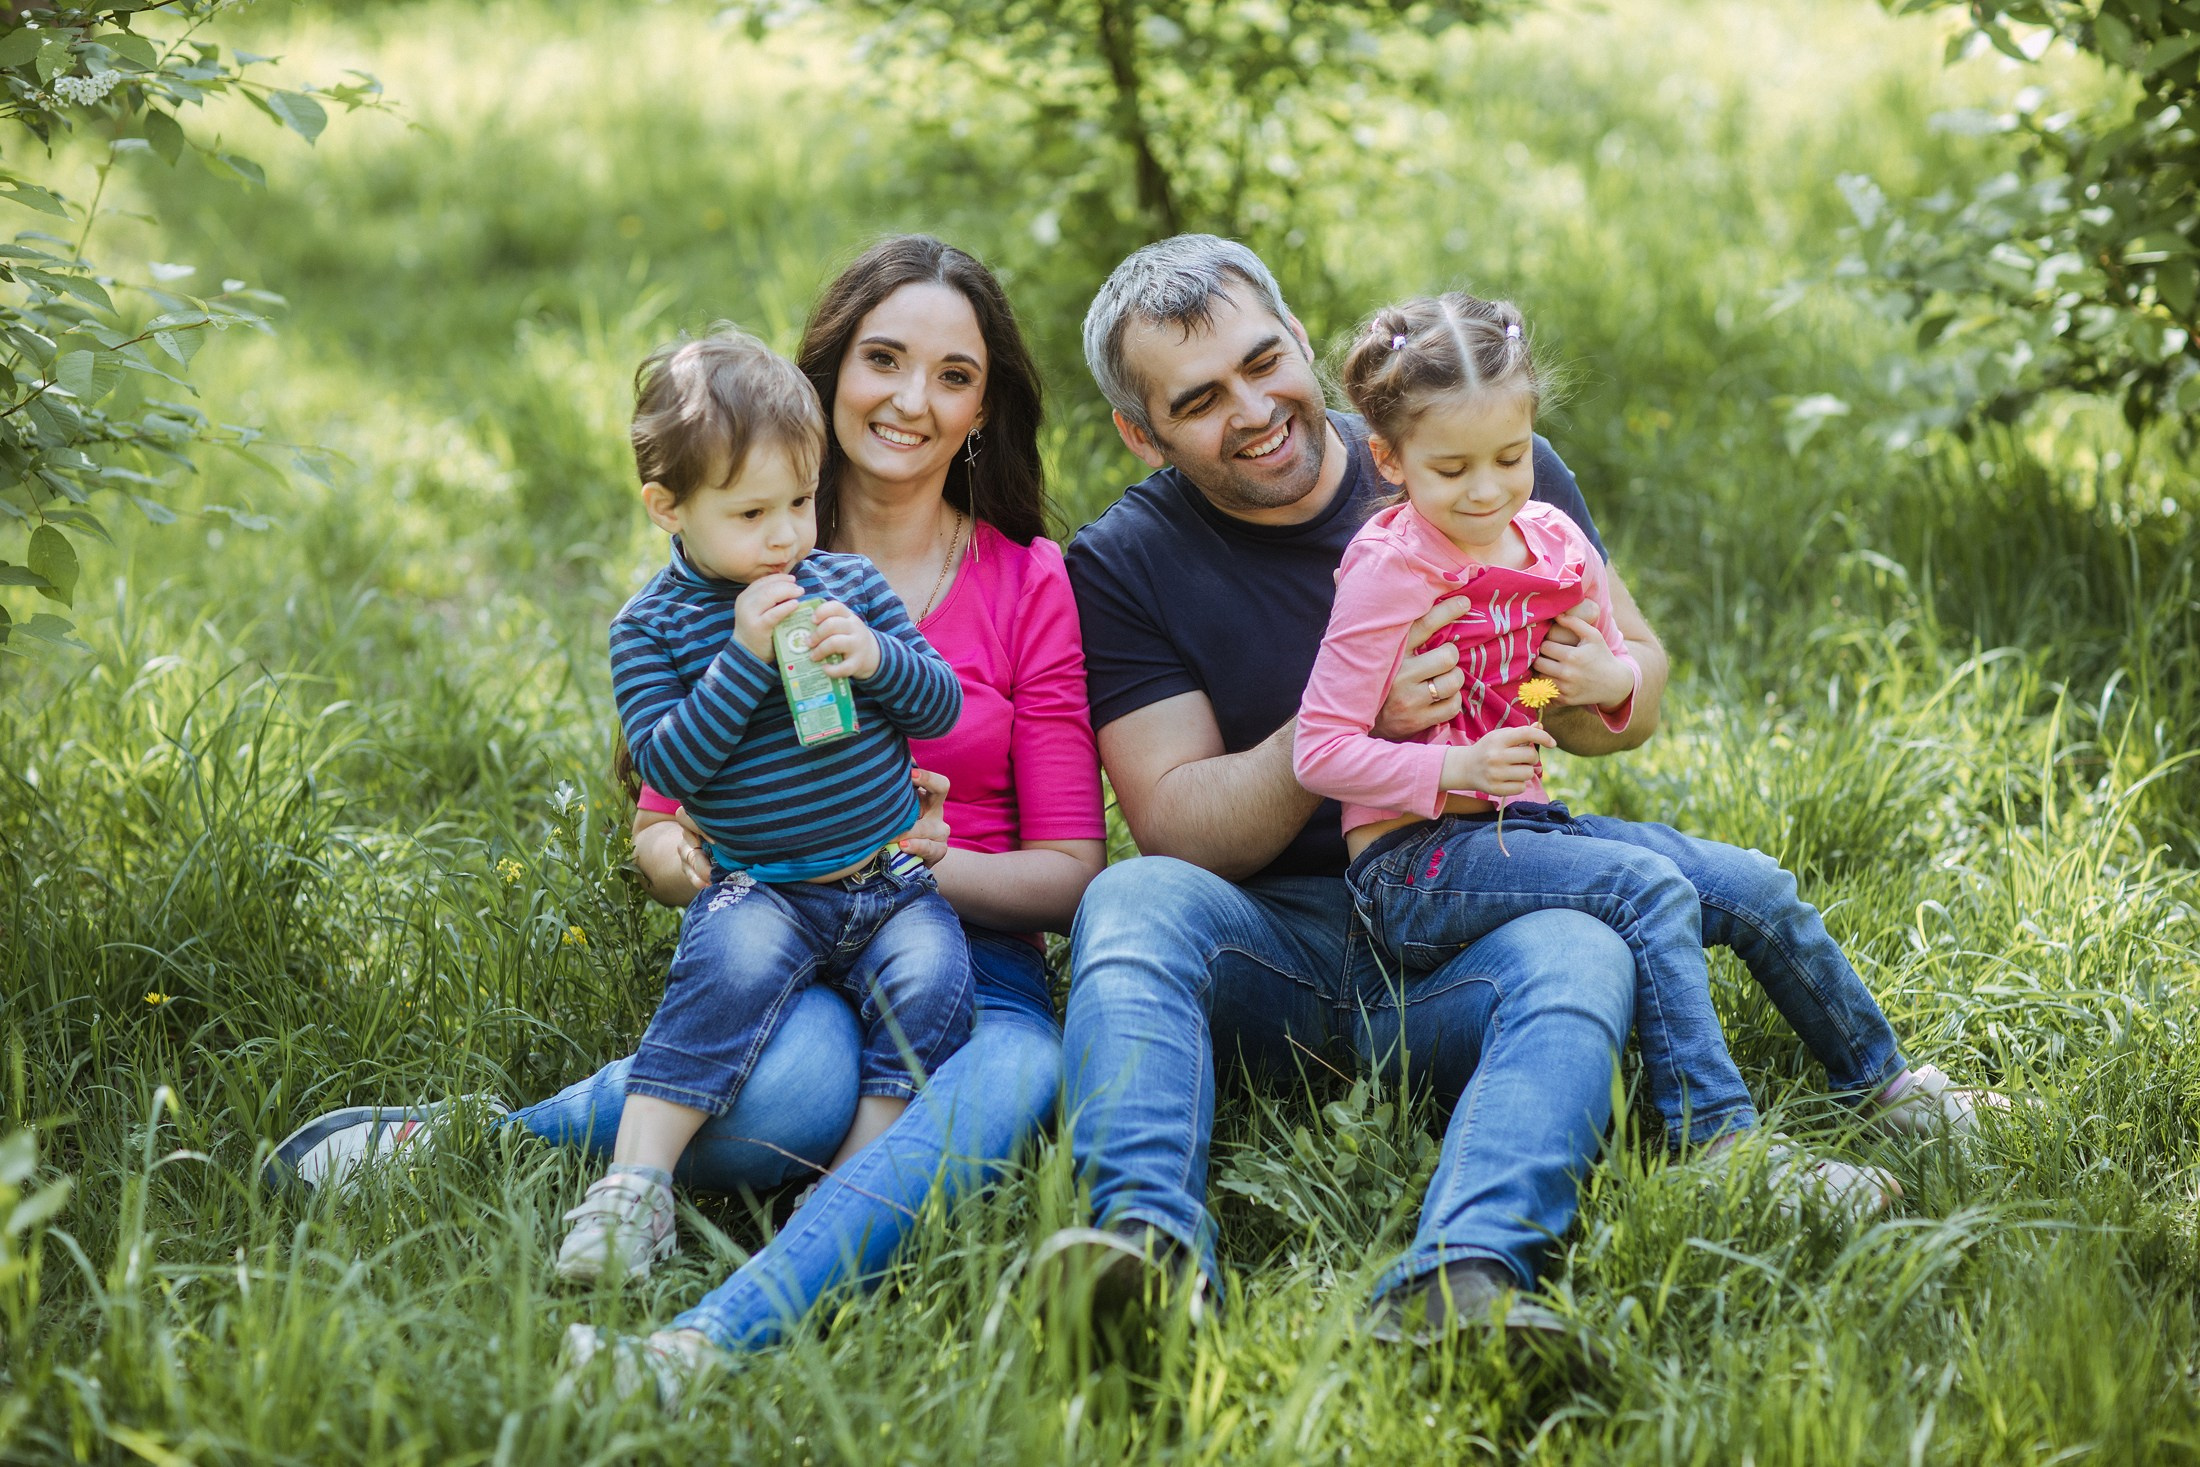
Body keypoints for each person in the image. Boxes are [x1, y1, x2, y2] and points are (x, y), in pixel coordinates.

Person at [267, 237, 1105, 1406]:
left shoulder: (1028, 580)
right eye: (883, 359)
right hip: (786, 940)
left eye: (954, 375)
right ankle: (484, 1140)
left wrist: (911, 867)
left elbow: (1070, 869)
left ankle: (692, 1344)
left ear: (983, 409)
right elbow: (666, 816)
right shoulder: (735, 553)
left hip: (972, 957)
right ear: (827, 374)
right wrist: (682, 861)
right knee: (789, 1099)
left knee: (1016, 1074)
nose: (913, 400)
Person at [1043, 234, 1650, 1351]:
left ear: (1302, 343)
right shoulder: (1122, 564)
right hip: (1271, 937)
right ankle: (1145, 1255)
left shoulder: (1471, 461)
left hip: (1472, 901)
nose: (1254, 406)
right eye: (1199, 399)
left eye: (1263, 361)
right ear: (1143, 433)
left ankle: (1461, 1281)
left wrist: (1568, 675)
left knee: (1588, 953)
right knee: (1127, 904)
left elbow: (1636, 692)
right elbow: (1177, 824)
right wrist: (1352, 710)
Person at [1294, 290, 2004, 1197]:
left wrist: (1605, 683)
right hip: (1411, 868)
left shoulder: (1549, 540)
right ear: (1389, 460)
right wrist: (1452, 766)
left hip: (1522, 830)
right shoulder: (1387, 570)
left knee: (1757, 886)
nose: (1486, 487)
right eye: (1452, 467)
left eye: (1511, 457)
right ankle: (1719, 1149)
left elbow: (1555, 684)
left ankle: (1886, 1086)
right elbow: (1319, 749)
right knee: (1646, 887)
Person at [559, 327, 970, 1285]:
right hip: (763, 885)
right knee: (721, 978)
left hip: (886, 876)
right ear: (668, 506)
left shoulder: (850, 586)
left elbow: (940, 704)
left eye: (800, 501)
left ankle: (845, 1187)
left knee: (936, 981)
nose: (786, 535)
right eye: (751, 512)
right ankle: (634, 1188)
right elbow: (671, 766)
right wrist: (741, 661)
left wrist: (876, 657)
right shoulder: (651, 627)